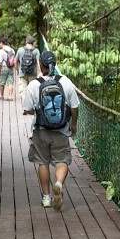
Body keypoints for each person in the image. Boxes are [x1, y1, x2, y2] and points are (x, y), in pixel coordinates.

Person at [22, 50, 79, 210]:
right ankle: (59, 183)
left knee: (43, 162)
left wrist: (38, 110)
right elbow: (74, 107)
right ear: (56, 63)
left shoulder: (34, 84)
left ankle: (46, 198)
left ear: (40, 64)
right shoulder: (66, 82)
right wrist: (73, 124)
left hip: (41, 130)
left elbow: (28, 109)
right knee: (62, 161)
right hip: (61, 130)